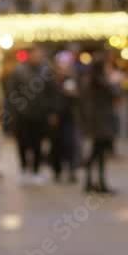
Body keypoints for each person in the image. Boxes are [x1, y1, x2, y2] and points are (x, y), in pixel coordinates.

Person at [8, 47, 58, 185]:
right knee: (23, 143)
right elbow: (12, 93)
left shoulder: (45, 71)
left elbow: (52, 92)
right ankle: (24, 169)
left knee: (37, 143)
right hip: (22, 115)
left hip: (40, 114)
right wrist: (14, 111)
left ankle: (36, 170)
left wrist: (52, 112)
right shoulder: (19, 71)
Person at [82, 53, 119, 194]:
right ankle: (97, 182)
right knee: (98, 152)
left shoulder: (93, 81)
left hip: (98, 122)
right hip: (101, 122)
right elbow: (114, 94)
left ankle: (93, 181)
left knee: (98, 152)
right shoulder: (100, 82)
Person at [51, 52, 81, 184]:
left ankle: (71, 169)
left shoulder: (72, 79)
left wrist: (74, 94)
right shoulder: (52, 81)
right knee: (57, 144)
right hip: (57, 117)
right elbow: (48, 98)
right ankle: (57, 170)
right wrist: (52, 113)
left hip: (70, 117)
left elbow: (78, 98)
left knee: (70, 143)